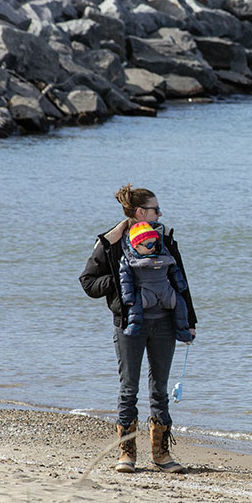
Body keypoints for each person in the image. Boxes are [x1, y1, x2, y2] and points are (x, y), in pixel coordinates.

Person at [79, 184, 197, 475]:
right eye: (156, 208)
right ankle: (127, 454)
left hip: (165, 323)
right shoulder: (111, 242)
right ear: (140, 212)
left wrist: (190, 321)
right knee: (128, 389)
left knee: (159, 391)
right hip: (128, 326)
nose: (161, 212)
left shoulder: (164, 237)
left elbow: (180, 280)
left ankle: (160, 453)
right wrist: (118, 285)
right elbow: (88, 282)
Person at [120, 220, 192, 343]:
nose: (152, 248)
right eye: (148, 245)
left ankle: (183, 333)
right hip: (145, 292)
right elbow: (125, 278)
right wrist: (128, 298)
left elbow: (174, 270)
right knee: (135, 308)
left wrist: (181, 285)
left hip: (165, 290)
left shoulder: (163, 254)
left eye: (154, 244)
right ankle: (133, 328)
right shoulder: (129, 259)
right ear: (136, 246)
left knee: (180, 303)